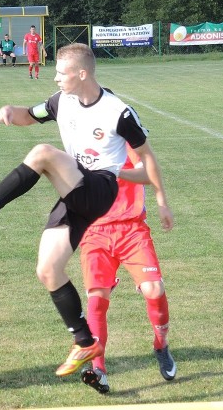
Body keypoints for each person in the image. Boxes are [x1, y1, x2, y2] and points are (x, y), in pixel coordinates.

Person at [0, 43, 173, 378]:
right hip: (76, 193)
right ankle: (84, 340)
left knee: (43, 153)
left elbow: (148, 158)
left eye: (62, 72)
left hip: (99, 189)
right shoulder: (60, 100)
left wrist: (162, 200)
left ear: (82, 74)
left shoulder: (118, 112)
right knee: (48, 269)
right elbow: (29, 115)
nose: (56, 77)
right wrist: (10, 110)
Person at [79, 144, 175, 394]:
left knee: (154, 290)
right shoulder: (78, 139)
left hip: (132, 228)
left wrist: (116, 171)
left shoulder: (124, 137)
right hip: (94, 231)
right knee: (96, 299)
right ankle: (98, 370)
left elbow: (147, 169)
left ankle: (161, 345)